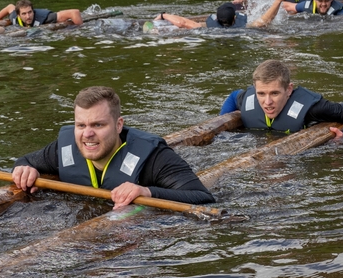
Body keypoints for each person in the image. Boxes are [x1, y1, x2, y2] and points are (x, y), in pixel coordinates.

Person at [12, 86, 214, 207]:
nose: (87, 134)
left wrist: (146, 192)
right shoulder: (64, 149)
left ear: (119, 125)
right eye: (81, 125)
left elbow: (202, 197)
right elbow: (26, 161)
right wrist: (24, 169)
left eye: (98, 125)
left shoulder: (155, 158)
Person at [220, 59, 343, 137]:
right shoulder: (246, 99)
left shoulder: (314, 108)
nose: (267, 102)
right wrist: (222, 121)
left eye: (275, 93)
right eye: (261, 94)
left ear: (288, 89)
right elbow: (234, 95)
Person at [0, 0, 84, 28]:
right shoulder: (14, 16)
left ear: (33, 11)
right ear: (18, 15)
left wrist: (80, 30)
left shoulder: (46, 18)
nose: (28, 16)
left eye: (30, 12)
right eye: (24, 14)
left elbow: (74, 12)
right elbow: (9, 7)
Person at [157, 2, 248, 30]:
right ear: (234, 17)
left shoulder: (207, 27)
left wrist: (163, 15)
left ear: (216, 18)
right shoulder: (247, 26)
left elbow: (182, 23)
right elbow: (262, 19)